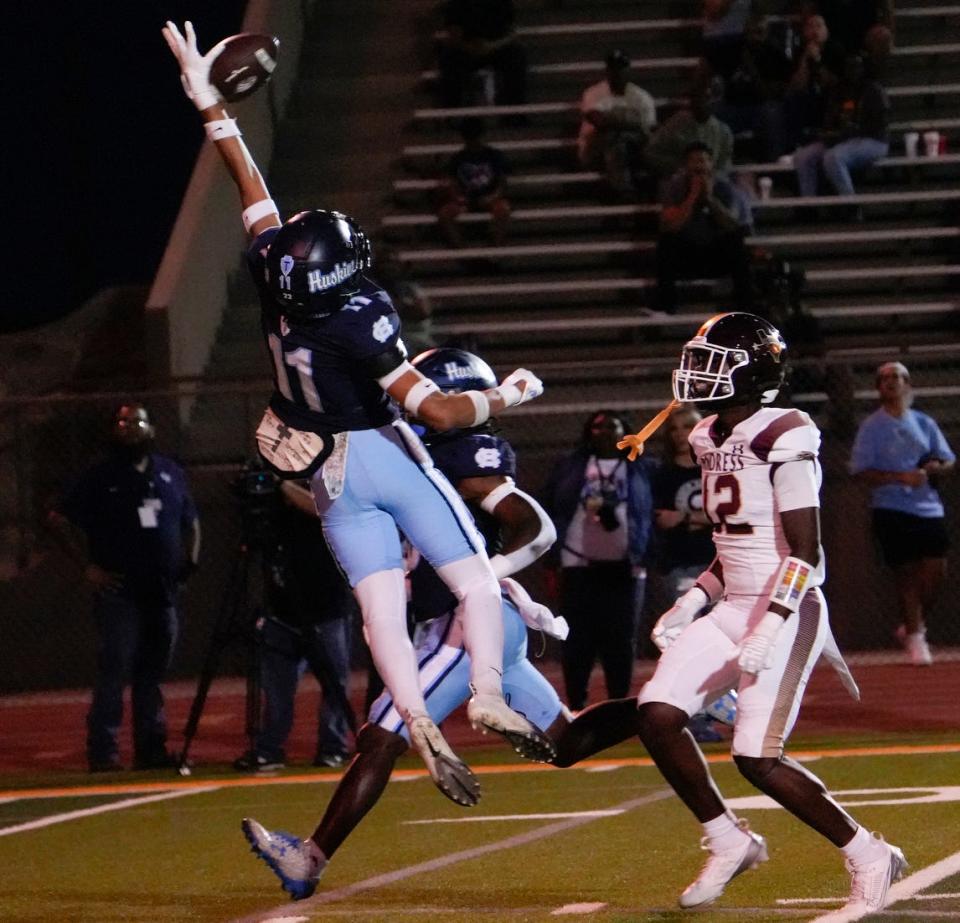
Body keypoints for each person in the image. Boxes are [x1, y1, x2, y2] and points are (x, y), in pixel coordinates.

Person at [163, 22, 553, 806]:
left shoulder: (279, 284)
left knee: (380, 608)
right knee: (474, 576)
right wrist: (511, 393)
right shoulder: (360, 315)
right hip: (378, 448)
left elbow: (254, 192)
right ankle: (483, 690)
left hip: (326, 471)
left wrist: (211, 108)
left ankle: (412, 714)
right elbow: (441, 413)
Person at [237, 347, 649, 899]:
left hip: (467, 624)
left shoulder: (463, 452)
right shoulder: (409, 454)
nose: (413, 405)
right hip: (477, 623)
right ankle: (668, 705)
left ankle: (308, 858)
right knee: (566, 742)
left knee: (383, 733)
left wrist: (481, 578)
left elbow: (534, 526)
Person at [622, 311, 905, 916]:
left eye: (713, 363)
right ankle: (729, 840)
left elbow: (806, 552)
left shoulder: (785, 432)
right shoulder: (706, 437)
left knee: (756, 756)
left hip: (790, 605)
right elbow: (734, 547)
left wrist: (772, 624)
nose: (697, 373)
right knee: (656, 714)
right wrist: (693, 598)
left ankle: (869, 853)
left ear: (751, 373)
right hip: (734, 606)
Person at [47, 403, 200, 772]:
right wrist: (88, 567)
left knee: (152, 674)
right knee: (115, 669)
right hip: (120, 591)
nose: (129, 429)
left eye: (136, 423)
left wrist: (190, 561)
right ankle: (104, 750)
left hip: (161, 590)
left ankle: (151, 748)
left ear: (151, 428)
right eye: (122, 422)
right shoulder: (99, 476)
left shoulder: (169, 472)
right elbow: (57, 519)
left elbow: (191, 520)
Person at [234, 478, 357, 772]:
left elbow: (327, 510)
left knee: (334, 683)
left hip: (327, 606)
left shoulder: (332, 482)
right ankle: (269, 748)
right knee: (277, 687)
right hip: (282, 608)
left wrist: (286, 487)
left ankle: (333, 746)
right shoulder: (277, 507)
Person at [541, 409, 654, 711]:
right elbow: (551, 505)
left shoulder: (641, 468)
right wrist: (552, 558)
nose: (604, 434)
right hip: (577, 564)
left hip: (625, 566)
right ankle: (577, 704)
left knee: (620, 640)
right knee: (578, 640)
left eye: (612, 428)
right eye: (598, 428)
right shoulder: (570, 465)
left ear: (625, 433)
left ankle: (619, 704)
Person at [850, 361, 954, 666]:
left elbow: (947, 459)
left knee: (936, 572)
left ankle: (913, 622)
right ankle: (916, 637)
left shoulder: (924, 423)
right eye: (886, 378)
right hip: (891, 508)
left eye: (899, 377)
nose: (893, 382)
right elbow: (860, 470)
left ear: (908, 384)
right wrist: (898, 478)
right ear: (879, 388)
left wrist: (936, 468)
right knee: (906, 574)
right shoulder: (872, 427)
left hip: (928, 508)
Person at [654, 142, 754, 315]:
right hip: (687, 254)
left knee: (737, 243)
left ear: (711, 164)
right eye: (694, 161)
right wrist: (692, 196)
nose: (699, 166)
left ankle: (744, 305)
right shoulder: (675, 187)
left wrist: (710, 200)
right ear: (686, 165)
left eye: (703, 161)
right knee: (665, 243)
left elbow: (734, 226)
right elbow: (670, 226)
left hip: (715, 254)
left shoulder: (725, 187)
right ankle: (666, 305)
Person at [792, 53, 889, 217]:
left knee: (833, 157)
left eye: (857, 67)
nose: (853, 71)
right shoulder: (839, 91)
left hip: (872, 139)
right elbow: (831, 121)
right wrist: (829, 133)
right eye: (849, 67)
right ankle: (809, 206)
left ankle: (850, 205)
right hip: (841, 139)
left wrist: (850, 132)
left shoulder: (874, 91)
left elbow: (878, 125)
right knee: (803, 157)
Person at [576, 50, 657, 200]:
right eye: (613, 68)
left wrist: (613, 121)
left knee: (620, 140)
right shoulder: (593, 93)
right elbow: (597, 121)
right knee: (613, 138)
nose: (617, 73)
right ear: (607, 71)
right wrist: (628, 122)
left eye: (621, 68)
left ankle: (623, 190)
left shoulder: (641, 97)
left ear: (628, 70)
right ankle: (625, 190)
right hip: (595, 148)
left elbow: (648, 130)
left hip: (631, 148)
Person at [714, 13, 791, 162]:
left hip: (760, 108)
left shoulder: (775, 55)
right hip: (733, 107)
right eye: (752, 32)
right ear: (745, 32)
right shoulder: (733, 52)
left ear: (766, 32)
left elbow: (773, 92)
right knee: (712, 115)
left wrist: (753, 70)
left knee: (772, 113)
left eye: (760, 32)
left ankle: (774, 163)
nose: (755, 37)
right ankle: (716, 163)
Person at [435, 0, 528, 110]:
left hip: (496, 47)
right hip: (465, 48)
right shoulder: (457, 3)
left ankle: (513, 108)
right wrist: (471, 47)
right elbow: (453, 35)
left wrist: (491, 46)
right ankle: (453, 110)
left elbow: (511, 32)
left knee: (516, 54)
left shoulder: (501, 3)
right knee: (450, 59)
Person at [436, 117, 511, 248]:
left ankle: (497, 246)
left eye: (475, 138)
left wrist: (492, 197)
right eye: (470, 138)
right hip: (466, 200)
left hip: (491, 199)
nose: (473, 142)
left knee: (503, 209)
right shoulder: (458, 158)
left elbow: (502, 183)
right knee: (444, 213)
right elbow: (452, 183)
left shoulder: (494, 155)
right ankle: (460, 248)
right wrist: (459, 199)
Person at [644, 77, 734, 184]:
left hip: (712, 184)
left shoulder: (724, 132)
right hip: (678, 182)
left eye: (709, 98)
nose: (704, 102)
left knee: (729, 194)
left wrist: (709, 175)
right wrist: (681, 167)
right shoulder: (676, 123)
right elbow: (650, 153)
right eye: (699, 97)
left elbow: (724, 166)